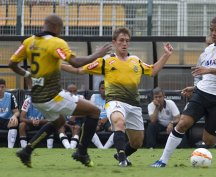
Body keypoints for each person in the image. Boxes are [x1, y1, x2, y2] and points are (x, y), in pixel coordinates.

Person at [9, 14, 112, 168]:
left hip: (37, 98)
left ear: (44, 25)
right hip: (53, 96)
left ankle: (27, 150)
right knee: (94, 111)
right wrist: (98, 54)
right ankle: (82, 152)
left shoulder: (29, 41)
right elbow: (76, 62)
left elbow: (12, 64)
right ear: (57, 28)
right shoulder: (57, 43)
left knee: (60, 121)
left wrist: (28, 74)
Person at [61, 27, 173, 167]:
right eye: (121, 40)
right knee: (119, 122)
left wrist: (166, 55)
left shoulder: (135, 60)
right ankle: (122, 160)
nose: (124, 43)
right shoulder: (107, 60)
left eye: (127, 41)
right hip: (115, 100)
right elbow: (78, 70)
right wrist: (59, 65)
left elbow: (153, 70)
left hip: (133, 104)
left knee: (137, 142)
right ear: (114, 42)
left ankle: (122, 154)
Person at [151, 16, 216, 167]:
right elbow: (208, 78)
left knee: (209, 140)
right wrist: (195, 88)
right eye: (211, 30)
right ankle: (162, 160)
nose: (214, 33)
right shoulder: (207, 51)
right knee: (183, 123)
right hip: (202, 94)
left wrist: (209, 69)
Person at [58, 84, 84, 149]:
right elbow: (57, 112)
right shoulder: (61, 98)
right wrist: (66, 123)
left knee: (77, 128)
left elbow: (86, 112)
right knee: (60, 128)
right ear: (66, 92)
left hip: (77, 121)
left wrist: (74, 116)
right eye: (70, 91)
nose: (72, 93)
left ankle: (72, 147)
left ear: (77, 91)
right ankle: (67, 146)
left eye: (74, 91)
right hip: (64, 121)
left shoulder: (81, 98)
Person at [90, 80, 113, 149]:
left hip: (108, 120)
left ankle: (105, 148)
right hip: (96, 119)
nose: (104, 90)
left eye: (106, 88)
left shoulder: (111, 98)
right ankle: (100, 147)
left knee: (118, 129)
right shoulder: (94, 97)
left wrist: (105, 119)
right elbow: (91, 110)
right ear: (99, 89)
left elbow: (113, 111)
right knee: (89, 129)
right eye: (102, 88)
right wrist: (97, 120)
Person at [0, 78, 20, 148]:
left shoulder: (11, 96)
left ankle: (10, 148)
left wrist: (14, 116)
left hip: (7, 120)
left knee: (14, 122)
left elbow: (17, 112)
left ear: (5, 87)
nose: (0, 89)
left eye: (2, 87)